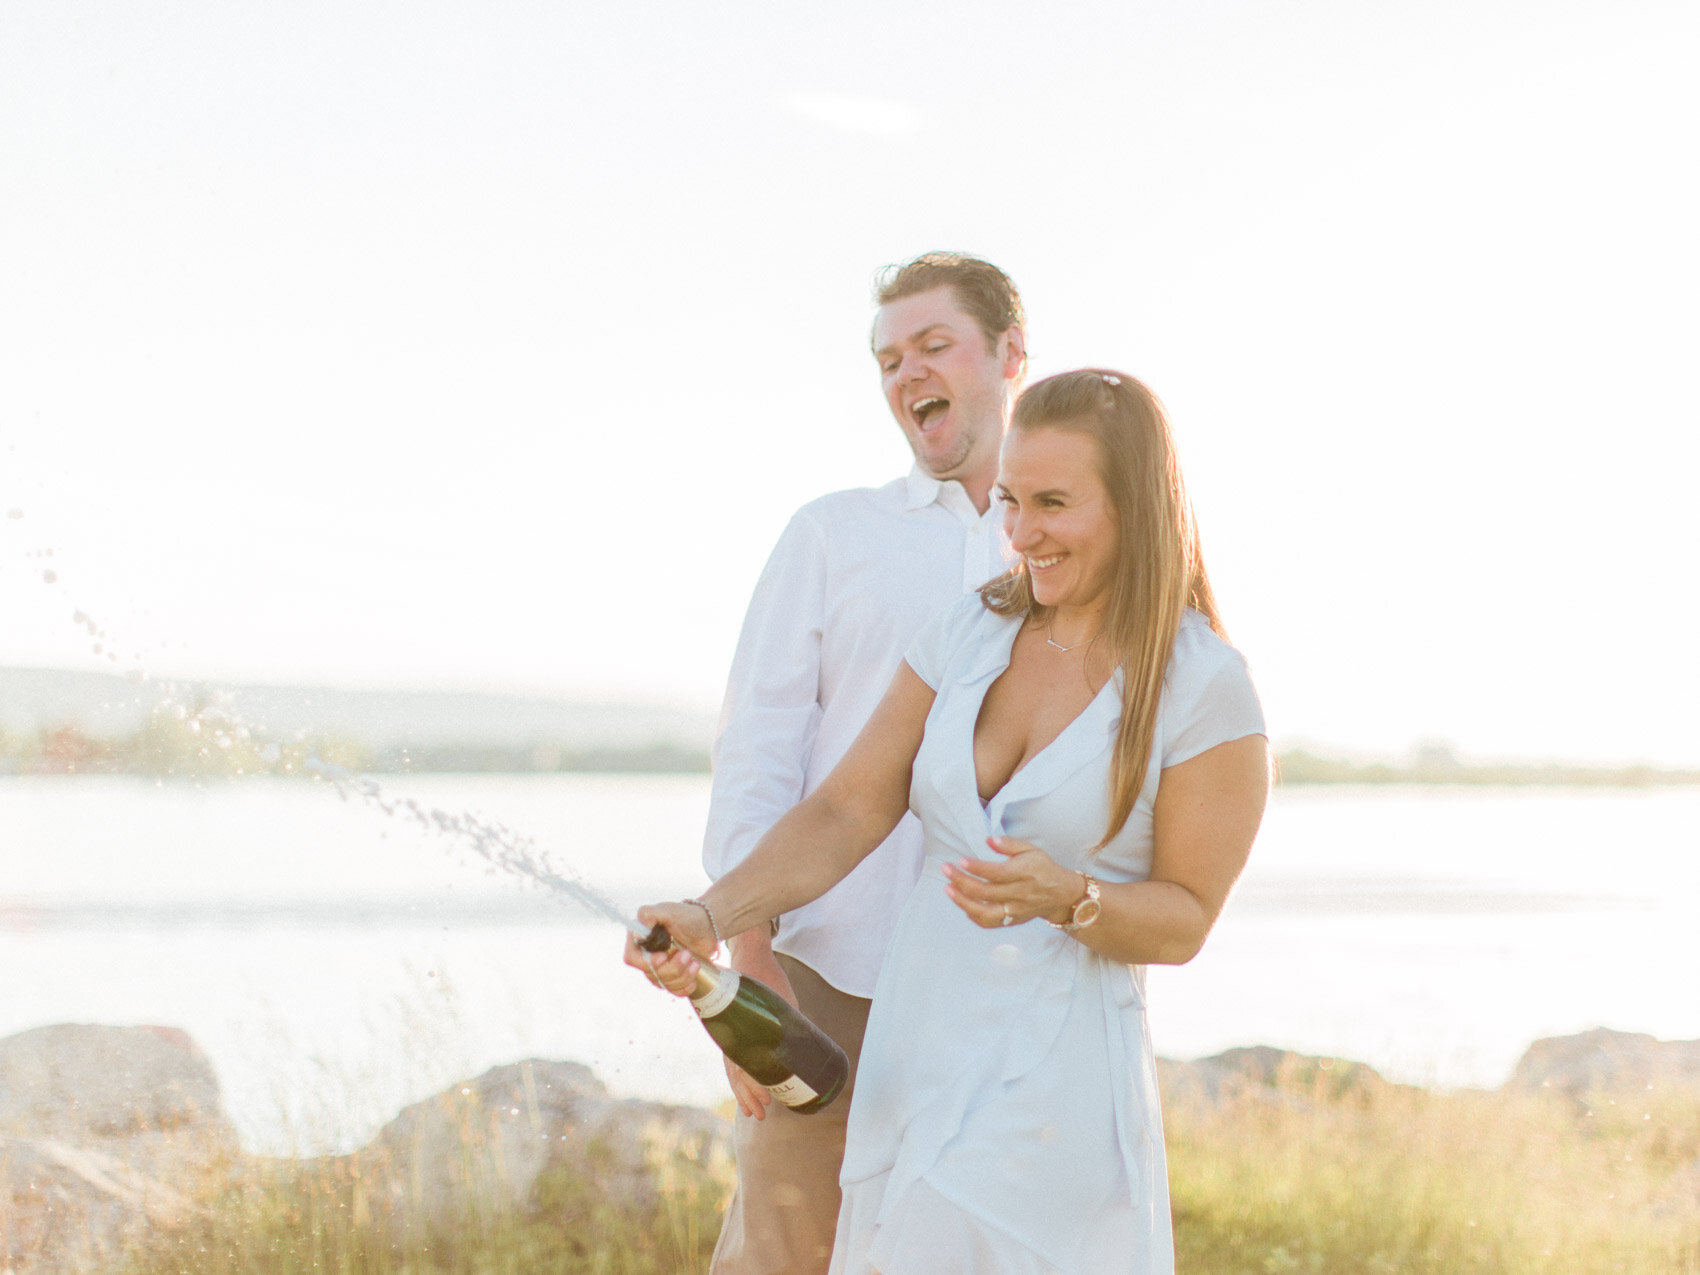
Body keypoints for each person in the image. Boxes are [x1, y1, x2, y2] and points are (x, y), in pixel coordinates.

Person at [630, 368, 1270, 1274]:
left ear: (1137, 506)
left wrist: (1070, 896)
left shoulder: (1206, 686)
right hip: (916, 1047)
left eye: (1053, 503)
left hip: (1048, 1081)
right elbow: (845, 810)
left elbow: (1186, 917)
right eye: (1010, 499)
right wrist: (714, 913)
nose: (1020, 532)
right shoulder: (968, 631)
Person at [701, 253, 1029, 1273]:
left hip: (1007, 982)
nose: (905, 375)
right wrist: (749, 961)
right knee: (784, 1251)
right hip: (827, 969)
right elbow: (757, 750)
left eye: (933, 346)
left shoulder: (1070, 545)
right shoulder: (834, 536)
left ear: (1011, 354)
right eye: (887, 359)